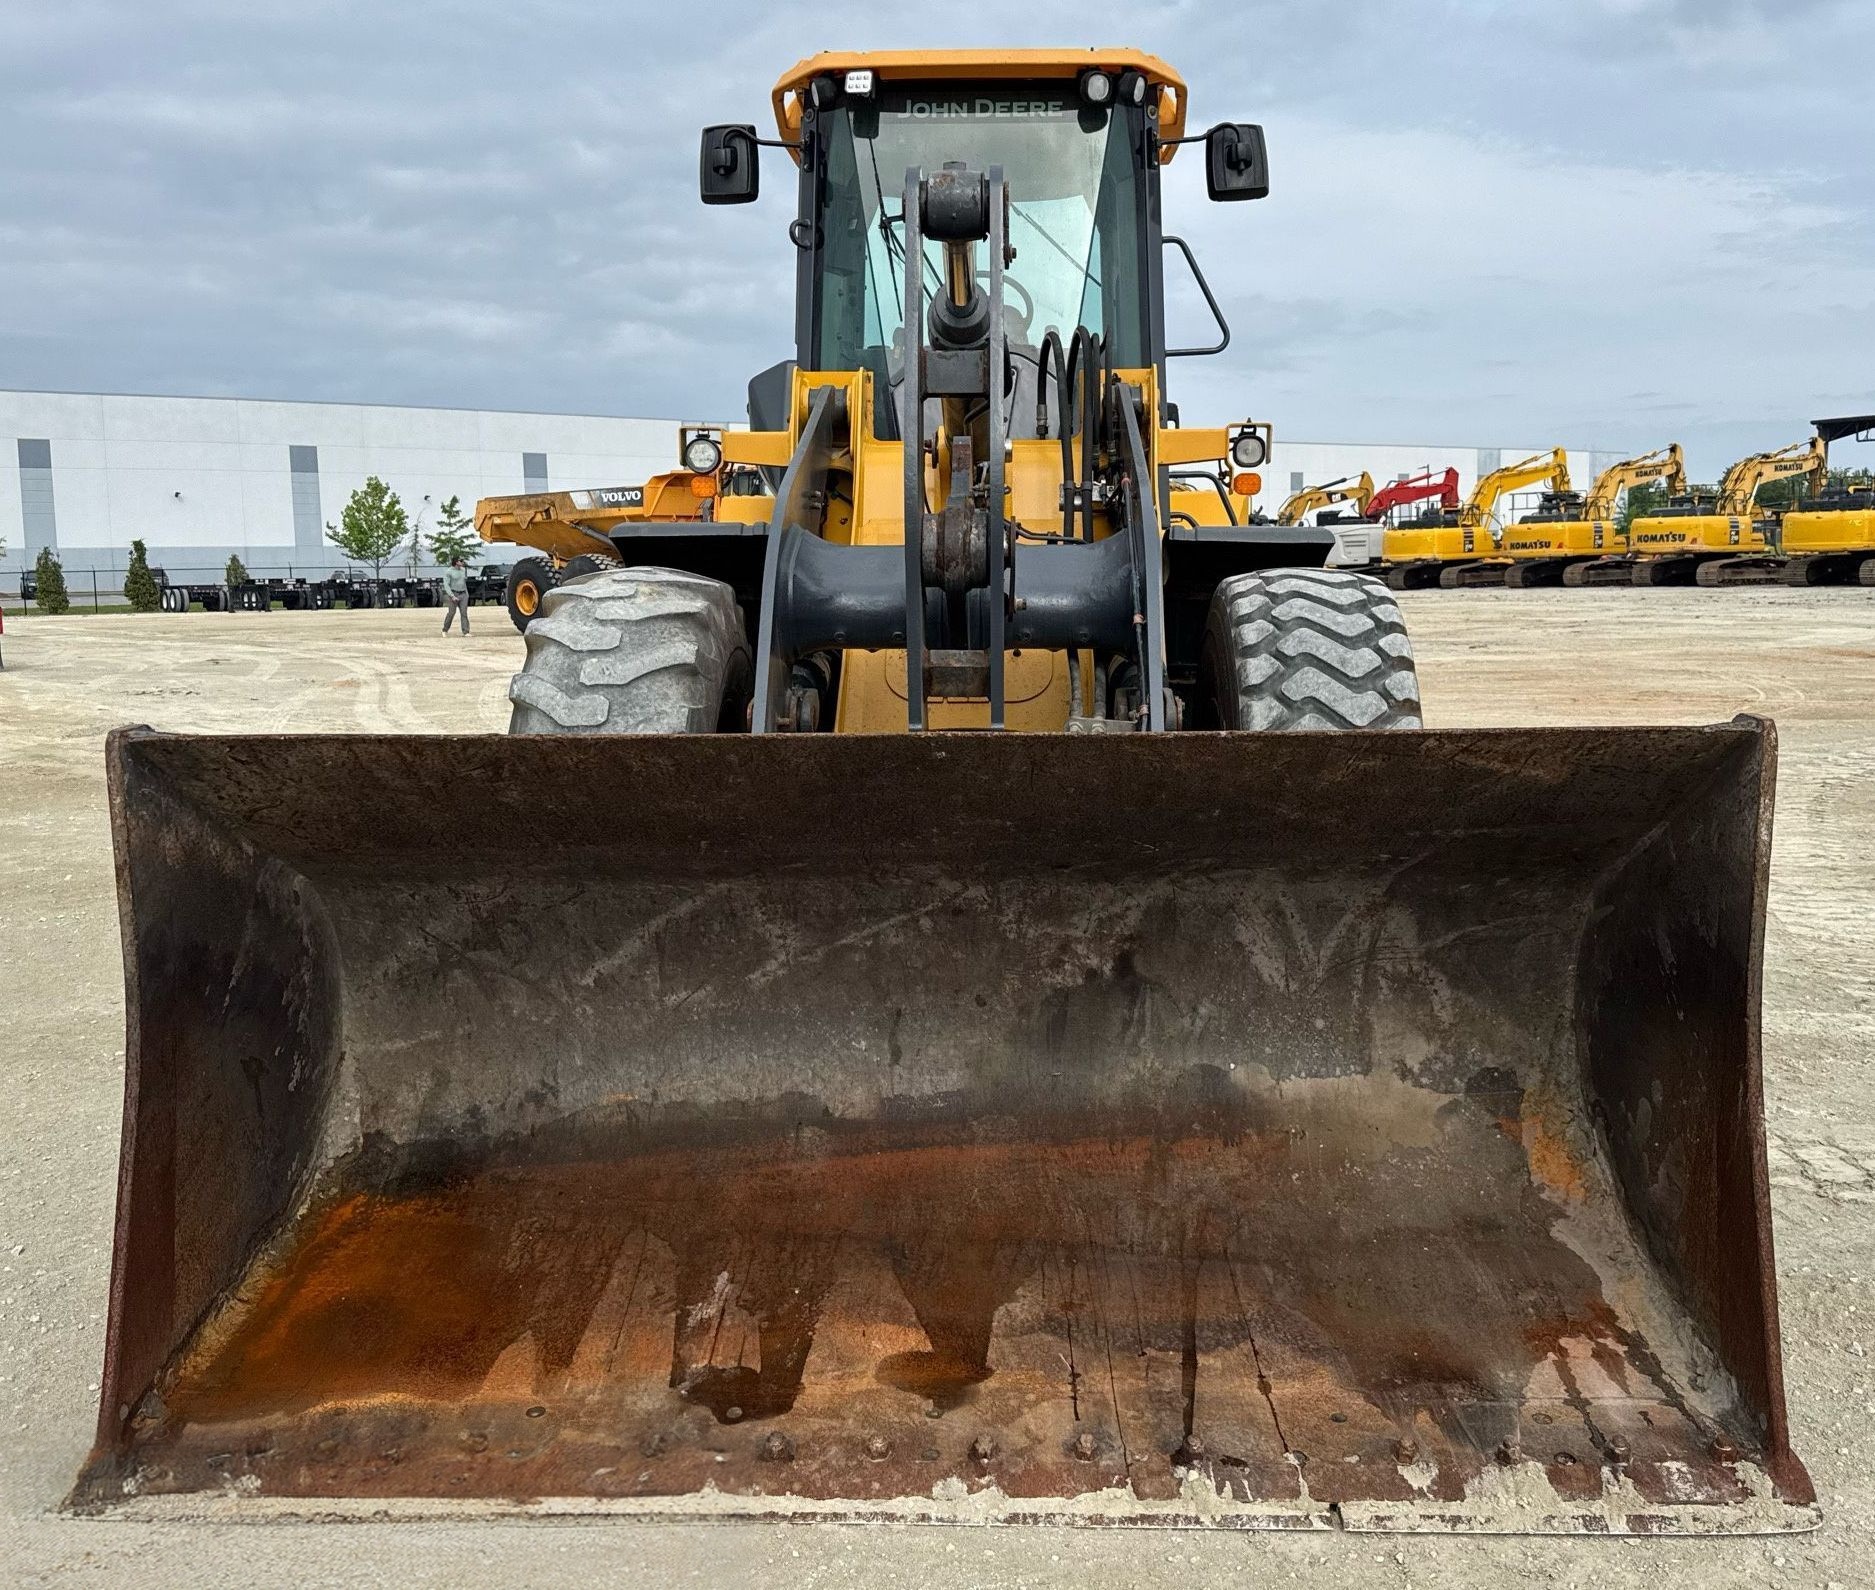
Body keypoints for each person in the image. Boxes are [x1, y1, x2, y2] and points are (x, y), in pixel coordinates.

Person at [441, 557, 471, 635]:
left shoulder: (463, 570)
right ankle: (445, 630)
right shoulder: (449, 572)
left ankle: (466, 631)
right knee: (451, 613)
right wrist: (452, 596)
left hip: (463, 594)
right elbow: (446, 585)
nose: (462, 562)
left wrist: (467, 594)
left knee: (464, 613)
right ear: (456, 562)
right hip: (453, 594)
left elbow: (464, 583)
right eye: (461, 561)